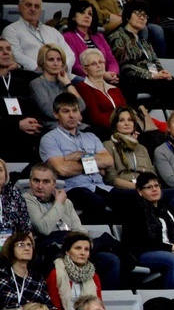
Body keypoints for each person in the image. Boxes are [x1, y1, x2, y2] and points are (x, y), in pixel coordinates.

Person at [38, 93, 124, 225]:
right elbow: (62, 170)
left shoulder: (91, 137)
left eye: (75, 111)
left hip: (99, 186)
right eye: (66, 111)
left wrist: (79, 157)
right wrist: (95, 163)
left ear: (80, 113)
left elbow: (108, 161)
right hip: (72, 189)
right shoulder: (49, 139)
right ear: (56, 114)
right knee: (96, 202)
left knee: (133, 198)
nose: (72, 116)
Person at [107, 0, 174, 109]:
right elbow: (126, 67)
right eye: (138, 13)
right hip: (135, 80)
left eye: (145, 16)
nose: (142, 18)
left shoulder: (144, 42)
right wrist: (152, 76)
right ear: (127, 16)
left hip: (153, 80)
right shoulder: (117, 36)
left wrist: (163, 73)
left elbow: (155, 61)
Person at [122, 172, 174, 289]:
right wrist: (171, 247)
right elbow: (139, 242)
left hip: (172, 250)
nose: (154, 189)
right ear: (140, 191)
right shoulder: (135, 211)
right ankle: (173, 301)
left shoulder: (167, 209)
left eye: (156, 186)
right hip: (145, 253)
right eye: (149, 187)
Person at [1, 0, 75, 74]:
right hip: (34, 75)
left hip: (62, 74)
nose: (33, 9)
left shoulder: (52, 31)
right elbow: (16, 55)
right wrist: (42, 69)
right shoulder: (11, 30)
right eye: (28, 5)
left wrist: (65, 66)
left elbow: (70, 54)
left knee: (86, 85)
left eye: (37, 6)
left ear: (40, 10)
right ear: (19, 7)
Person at [46, 232, 108, 310]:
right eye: (78, 248)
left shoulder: (93, 276)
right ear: (67, 251)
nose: (82, 253)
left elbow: (99, 305)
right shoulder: (56, 274)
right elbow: (54, 308)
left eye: (86, 249)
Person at [0, 38, 43, 162]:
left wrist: (34, 123)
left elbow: (34, 108)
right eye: (0, 49)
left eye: (8, 49)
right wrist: (17, 125)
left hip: (25, 137)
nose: (6, 52)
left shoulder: (22, 80)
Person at [30, 44, 85, 131]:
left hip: (75, 126)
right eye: (51, 60)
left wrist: (67, 83)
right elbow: (49, 111)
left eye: (59, 59)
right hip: (54, 128)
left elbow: (81, 106)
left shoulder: (64, 82)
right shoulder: (37, 83)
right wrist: (74, 116)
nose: (56, 63)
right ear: (42, 63)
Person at [102, 106, 156, 190]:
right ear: (115, 124)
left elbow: (152, 173)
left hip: (147, 187)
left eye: (130, 120)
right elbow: (110, 178)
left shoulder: (142, 148)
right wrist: (138, 188)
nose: (127, 123)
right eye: (121, 120)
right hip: (125, 189)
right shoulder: (108, 145)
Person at [72, 48, 124, 133]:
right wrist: (118, 128)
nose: (99, 66)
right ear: (85, 69)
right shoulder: (83, 88)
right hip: (103, 131)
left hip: (121, 129)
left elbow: (126, 112)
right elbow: (95, 117)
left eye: (100, 62)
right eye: (93, 64)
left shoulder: (115, 89)